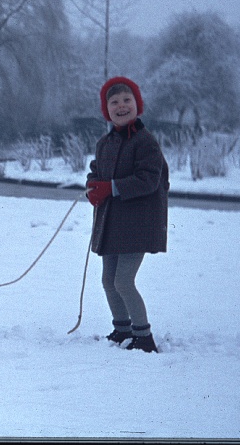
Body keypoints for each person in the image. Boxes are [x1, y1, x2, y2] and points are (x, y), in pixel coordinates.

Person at [86, 76, 169, 353]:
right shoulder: (104, 143)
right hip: (111, 223)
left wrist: (111, 187)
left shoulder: (145, 142)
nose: (121, 106)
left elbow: (149, 179)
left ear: (137, 105)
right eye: (114, 102)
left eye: (127, 101)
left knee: (123, 280)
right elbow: (96, 171)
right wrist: (92, 186)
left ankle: (143, 336)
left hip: (137, 224)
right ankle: (122, 328)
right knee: (108, 280)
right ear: (106, 110)